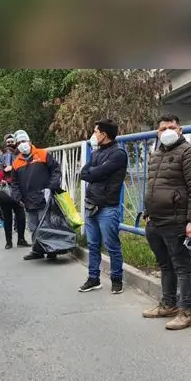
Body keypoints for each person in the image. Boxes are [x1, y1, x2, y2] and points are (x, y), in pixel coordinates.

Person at [140, 113, 191, 331]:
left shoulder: (190, 153)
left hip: (177, 221)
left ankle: (186, 311)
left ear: (180, 130)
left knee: (182, 267)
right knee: (165, 264)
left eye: (171, 127)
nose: (166, 131)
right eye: (162, 128)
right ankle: (168, 304)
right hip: (156, 220)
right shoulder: (156, 154)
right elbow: (153, 186)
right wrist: (147, 211)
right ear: (157, 133)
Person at [78, 119, 128, 295]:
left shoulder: (118, 154)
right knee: (93, 245)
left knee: (112, 245)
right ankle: (93, 279)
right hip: (92, 205)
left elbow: (95, 173)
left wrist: (94, 172)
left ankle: (116, 280)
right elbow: (84, 174)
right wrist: (94, 172)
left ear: (104, 134)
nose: (93, 135)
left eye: (95, 131)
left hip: (107, 207)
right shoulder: (97, 153)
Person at [10, 129, 63, 261]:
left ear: (29, 141)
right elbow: (15, 183)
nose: (22, 144)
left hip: (44, 196)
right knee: (33, 226)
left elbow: (56, 170)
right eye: (19, 143)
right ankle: (37, 250)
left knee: (45, 224)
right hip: (27, 199)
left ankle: (51, 250)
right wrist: (18, 197)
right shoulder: (17, 162)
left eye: (24, 141)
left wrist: (52, 187)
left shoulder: (43, 154)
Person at [0, 153, 28, 249]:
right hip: (5, 196)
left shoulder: (19, 163)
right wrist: (4, 171)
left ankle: (21, 239)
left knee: (21, 217)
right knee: (7, 218)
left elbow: (24, 176)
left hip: (18, 194)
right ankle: (8, 242)